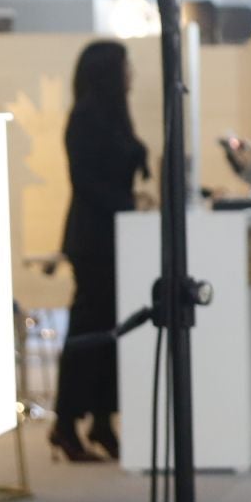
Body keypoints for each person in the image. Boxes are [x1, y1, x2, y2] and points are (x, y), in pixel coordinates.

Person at [51, 40, 149, 462]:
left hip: (115, 234)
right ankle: (66, 422)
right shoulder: (86, 119)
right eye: (126, 67)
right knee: (89, 329)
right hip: (94, 239)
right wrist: (130, 203)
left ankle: (103, 420)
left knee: (112, 330)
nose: (131, 76)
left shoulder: (112, 115)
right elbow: (87, 182)